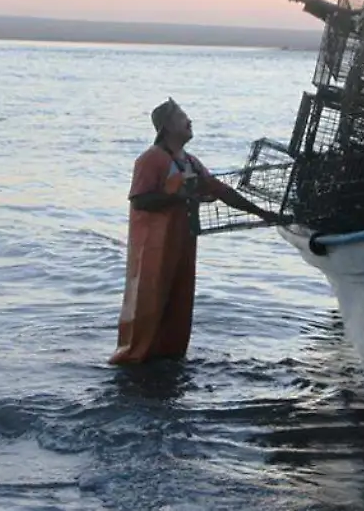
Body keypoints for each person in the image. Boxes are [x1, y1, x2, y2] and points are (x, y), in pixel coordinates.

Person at [108, 98, 280, 365]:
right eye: (182, 117)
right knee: (147, 305)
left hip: (183, 245)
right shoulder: (150, 160)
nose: (189, 122)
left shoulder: (190, 162)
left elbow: (222, 192)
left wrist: (263, 213)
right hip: (151, 251)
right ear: (165, 127)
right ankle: (132, 360)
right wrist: (180, 197)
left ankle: (169, 360)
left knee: (178, 308)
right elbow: (140, 201)